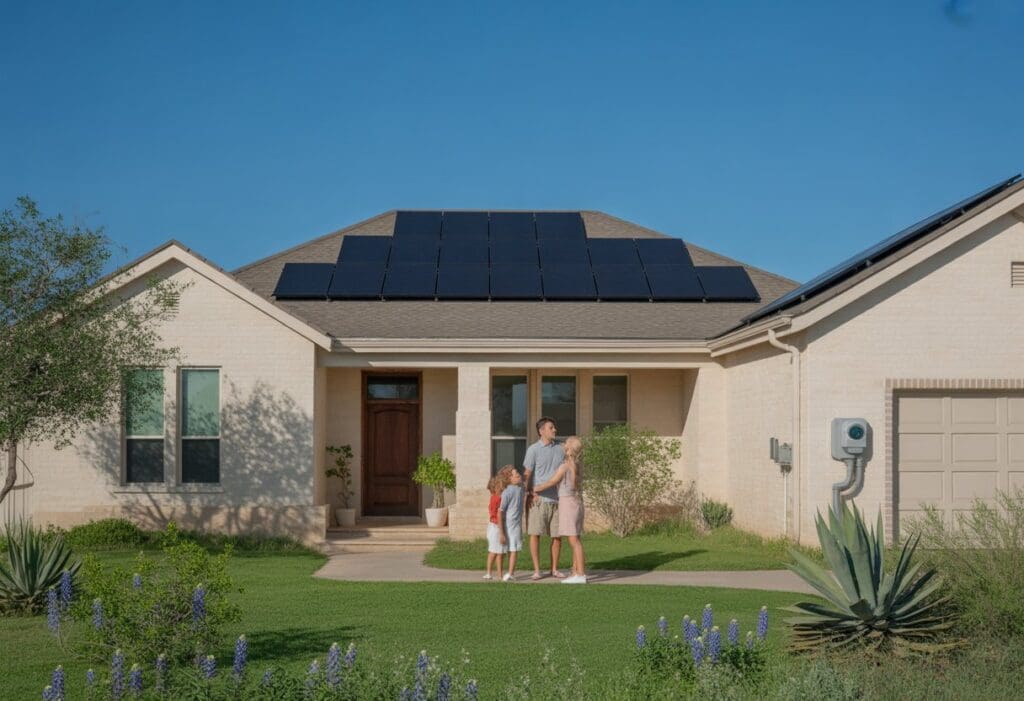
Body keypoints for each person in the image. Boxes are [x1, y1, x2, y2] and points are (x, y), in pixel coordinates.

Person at [532, 436, 587, 583]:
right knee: (576, 539)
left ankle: (581, 574)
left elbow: (551, 482)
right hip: (577, 502)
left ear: (569, 449)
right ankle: (575, 572)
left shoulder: (565, 466)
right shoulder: (577, 465)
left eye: (566, 442)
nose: (563, 443)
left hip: (568, 504)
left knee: (574, 541)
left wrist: (535, 488)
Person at [523, 417, 565, 580]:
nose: (554, 430)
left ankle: (554, 569)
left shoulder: (561, 449)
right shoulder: (533, 450)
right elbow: (527, 474)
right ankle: (537, 570)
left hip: (557, 500)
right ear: (541, 431)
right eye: (551, 428)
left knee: (557, 536)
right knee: (535, 534)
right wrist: (528, 494)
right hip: (538, 500)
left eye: (554, 428)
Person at [497, 465, 524, 581]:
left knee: (511, 549)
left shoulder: (520, 488)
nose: (518, 475)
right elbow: (500, 512)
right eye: (515, 474)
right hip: (511, 524)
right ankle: (510, 573)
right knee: (513, 549)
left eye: (517, 472)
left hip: (516, 523)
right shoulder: (507, 492)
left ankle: (508, 572)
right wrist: (501, 533)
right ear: (509, 479)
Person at [483, 471, 510, 580]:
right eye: (500, 486)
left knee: (500, 552)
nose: (502, 488)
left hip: (499, 526)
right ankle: (489, 572)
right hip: (495, 527)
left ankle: (499, 574)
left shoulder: (500, 497)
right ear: (496, 487)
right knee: (493, 551)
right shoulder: (495, 498)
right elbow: (494, 514)